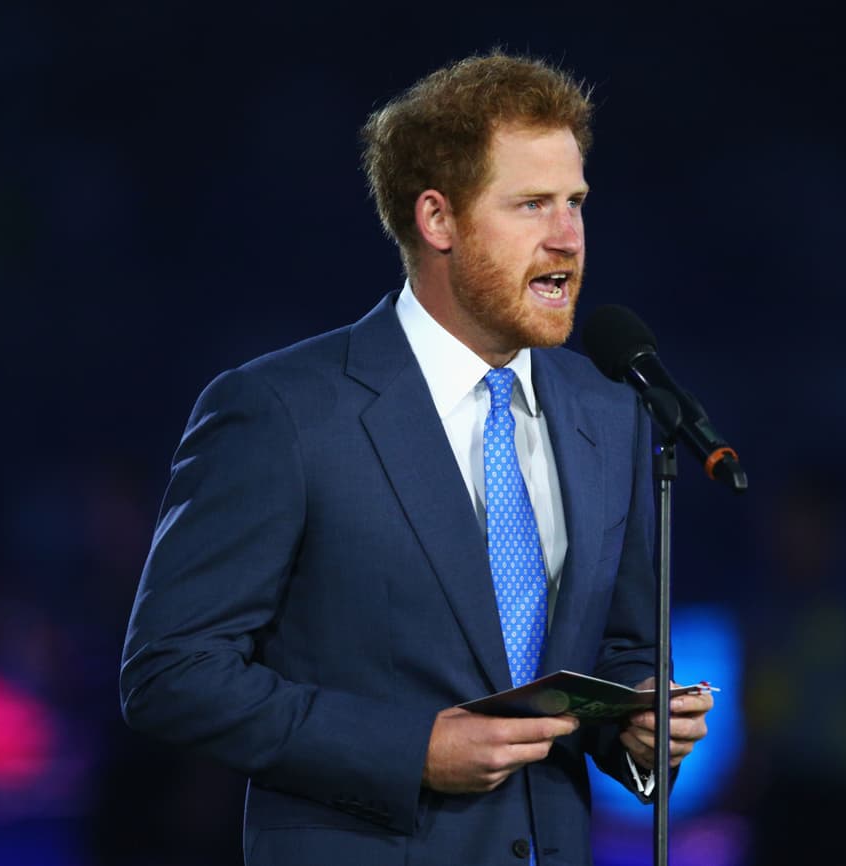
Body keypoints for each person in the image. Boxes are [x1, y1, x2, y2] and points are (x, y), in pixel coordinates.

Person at [119, 51, 713, 866]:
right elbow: (169, 672)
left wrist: (643, 723)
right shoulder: (285, 412)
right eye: (532, 204)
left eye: (576, 202)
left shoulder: (608, 410)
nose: (568, 238)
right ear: (437, 220)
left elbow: (620, 649)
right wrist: (408, 749)